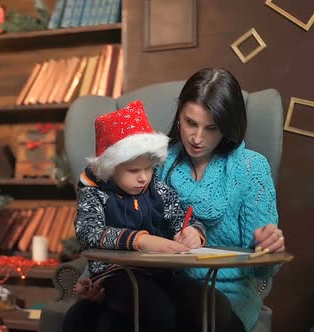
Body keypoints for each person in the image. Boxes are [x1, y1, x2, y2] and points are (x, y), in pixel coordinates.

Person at [69, 68, 287, 332]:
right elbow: (111, 220)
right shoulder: (155, 160)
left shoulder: (251, 168)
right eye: (190, 122)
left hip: (226, 292)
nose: (197, 138)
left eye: (212, 128)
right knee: (94, 319)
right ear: (179, 113)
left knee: (202, 317)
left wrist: (268, 247)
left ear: (229, 126)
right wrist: (93, 279)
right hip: (153, 281)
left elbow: (263, 271)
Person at [65, 100, 207, 332]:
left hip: (157, 273)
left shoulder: (156, 189)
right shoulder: (94, 193)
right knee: (156, 311)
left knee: (209, 303)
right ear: (110, 168)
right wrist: (141, 240)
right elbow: (88, 232)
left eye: (149, 169)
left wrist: (193, 232)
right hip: (113, 275)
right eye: (133, 170)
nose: (143, 178)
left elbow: (185, 218)